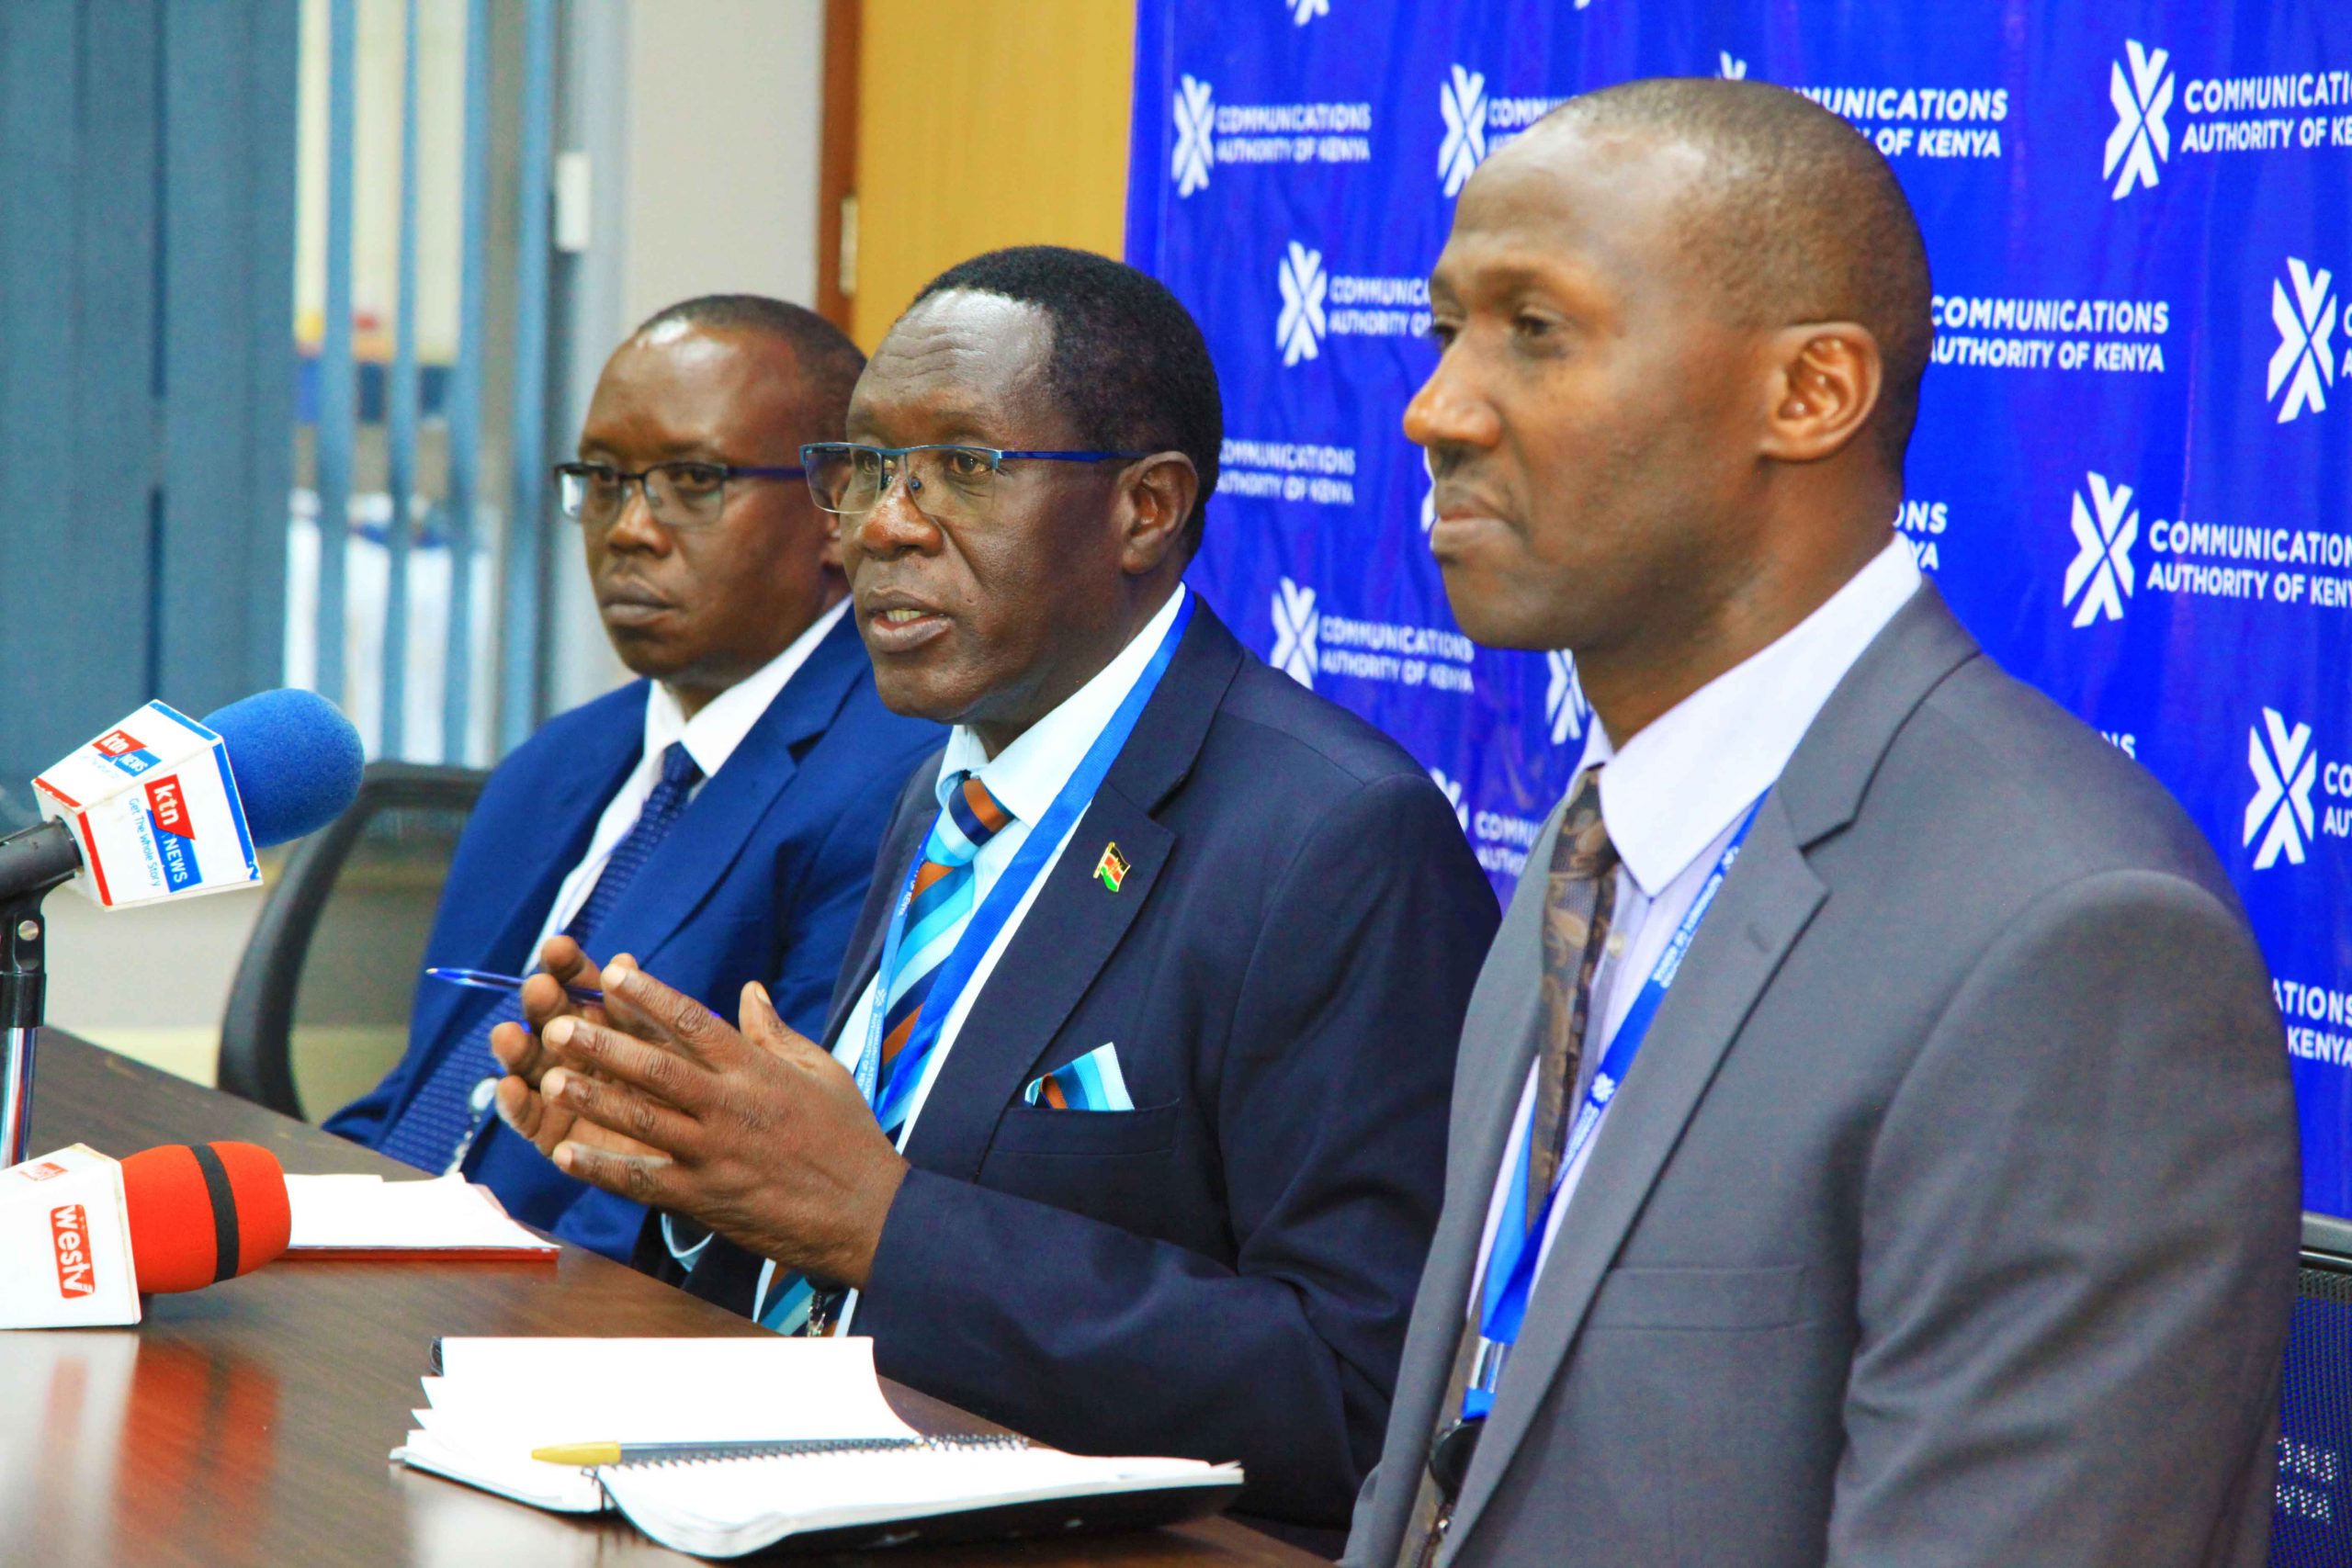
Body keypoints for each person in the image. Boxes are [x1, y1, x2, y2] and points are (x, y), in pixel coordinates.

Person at [1343, 79, 2300, 1568]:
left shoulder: (2071, 934)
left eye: (1535, 329)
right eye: (1447, 328)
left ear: (1811, 394)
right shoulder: (1593, 842)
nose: (1439, 408)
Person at [490, 246, 1498, 1547]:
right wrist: (702, 1172)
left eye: (964, 466)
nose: (882, 526)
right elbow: (848, 1221)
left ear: (1147, 506)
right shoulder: (944, 786)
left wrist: (880, 1221)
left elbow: (1354, 1396)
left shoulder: (1333, 838)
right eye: (861, 468)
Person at [326, 295, 944, 1262]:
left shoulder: (896, 785)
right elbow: (424, 1094)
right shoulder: (558, 764)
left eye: (693, 481)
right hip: (397, 1266)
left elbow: (718, 1222)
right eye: (604, 480)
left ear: (839, 511)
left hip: (552, 1324)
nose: (628, 528)